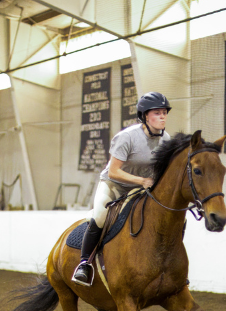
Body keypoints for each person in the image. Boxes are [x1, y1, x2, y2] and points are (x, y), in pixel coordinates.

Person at [72, 91, 172, 286]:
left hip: (142, 189)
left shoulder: (165, 139)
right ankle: (84, 264)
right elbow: (114, 172)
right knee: (100, 216)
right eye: (157, 113)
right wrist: (142, 180)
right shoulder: (126, 137)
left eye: (164, 113)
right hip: (114, 185)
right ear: (145, 116)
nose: (162, 117)